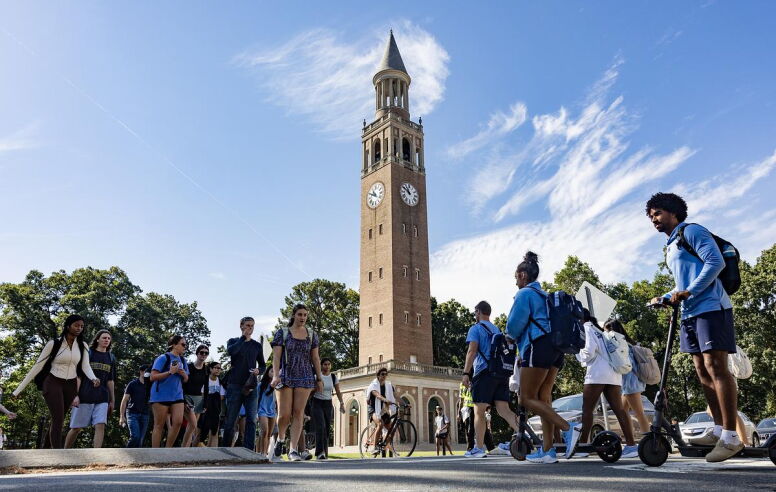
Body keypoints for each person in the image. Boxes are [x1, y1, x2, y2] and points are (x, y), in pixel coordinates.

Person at [647, 192, 742, 462]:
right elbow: (682, 283)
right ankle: (717, 428)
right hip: (690, 313)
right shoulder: (672, 246)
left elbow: (715, 262)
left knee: (716, 368)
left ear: (673, 212)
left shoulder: (692, 231)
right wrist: (666, 297)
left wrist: (688, 292)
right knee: (701, 371)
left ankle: (731, 436)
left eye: (658, 213)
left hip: (712, 307)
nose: (653, 219)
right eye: (651, 216)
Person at [505, 252, 581, 463]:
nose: (515, 280)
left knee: (525, 398)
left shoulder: (524, 295)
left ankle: (568, 429)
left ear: (522, 275)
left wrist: (509, 337)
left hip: (536, 346)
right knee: (544, 399)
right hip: (556, 348)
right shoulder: (545, 295)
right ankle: (548, 451)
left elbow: (514, 325)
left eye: (516, 276)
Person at [12, 315, 100, 449]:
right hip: (53, 382)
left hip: (70, 385)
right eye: (76, 325)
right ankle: (58, 454)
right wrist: (18, 390)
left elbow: (85, 366)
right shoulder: (53, 344)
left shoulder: (83, 346)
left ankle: (46, 452)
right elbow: (37, 366)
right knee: (58, 418)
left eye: (82, 326)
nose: (79, 328)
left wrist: (93, 378)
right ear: (68, 326)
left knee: (58, 420)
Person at [462, 300, 520, 459]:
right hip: (501, 374)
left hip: (483, 373)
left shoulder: (475, 329)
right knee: (504, 410)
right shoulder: (497, 330)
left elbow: (472, 351)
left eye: (475, 313)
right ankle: (523, 436)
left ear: (478, 312)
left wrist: (466, 373)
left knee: (479, 411)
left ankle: (478, 448)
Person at [576, 312, 638, 458]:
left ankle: (584, 446)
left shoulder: (587, 328)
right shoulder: (600, 330)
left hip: (597, 374)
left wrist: (577, 353)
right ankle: (631, 445)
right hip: (614, 374)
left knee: (587, 410)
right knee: (620, 410)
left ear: (581, 318)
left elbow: (588, 353)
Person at [270, 304, 323, 462]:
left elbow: (315, 358)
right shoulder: (283, 333)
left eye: (305, 315)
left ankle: (293, 450)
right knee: (284, 414)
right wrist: (275, 375)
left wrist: (319, 378)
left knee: (298, 413)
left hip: (305, 375)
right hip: (286, 374)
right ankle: (280, 439)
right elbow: (277, 357)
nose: (303, 318)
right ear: (293, 315)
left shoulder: (312, 335)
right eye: (300, 314)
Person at [64, 329, 116, 449]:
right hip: (84, 396)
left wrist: (112, 400)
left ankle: (96, 455)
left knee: (100, 425)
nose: (106, 340)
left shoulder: (111, 358)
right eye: (104, 338)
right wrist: (75, 395)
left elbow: (110, 381)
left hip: (102, 397)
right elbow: (79, 377)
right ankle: (65, 452)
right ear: (97, 339)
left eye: (108, 338)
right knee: (76, 428)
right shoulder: (88, 354)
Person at [222, 316, 266, 452]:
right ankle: (225, 450)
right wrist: (243, 338)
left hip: (251, 386)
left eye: (252, 326)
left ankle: (248, 450)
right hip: (234, 385)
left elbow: (263, 365)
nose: (250, 328)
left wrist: (259, 370)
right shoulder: (233, 341)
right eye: (247, 325)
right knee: (231, 420)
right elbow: (231, 352)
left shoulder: (257, 346)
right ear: (241, 326)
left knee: (252, 419)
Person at [603, 320, 651, 434]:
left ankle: (649, 442)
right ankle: (631, 440)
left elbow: (626, 366)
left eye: (606, 331)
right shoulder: (628, 343)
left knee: (639, 413)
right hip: (628, 383)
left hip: (630, 382)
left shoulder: (621, 345)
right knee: (623, 412)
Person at [149, 335, 190, 448]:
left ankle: (168, 450)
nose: (185, 347)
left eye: (186, 345)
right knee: (159, 425)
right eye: (183, 344)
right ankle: (155, 454)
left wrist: (183, 374)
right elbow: (152, 377)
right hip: (160, 396)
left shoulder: (183, 360)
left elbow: (186, 379)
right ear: (174, 345)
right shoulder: (163, 358)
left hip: (177, 395)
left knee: (177, 422)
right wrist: (170, 372)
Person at [311, 357, 345, 460]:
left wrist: (342, 403)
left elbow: (338, 391)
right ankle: (319, 452)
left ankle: (324, 452)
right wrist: (316, 388)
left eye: (328, 364)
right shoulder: (317, 376)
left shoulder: (333, 377)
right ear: (321, 365)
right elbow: (310, 390)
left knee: (326, 428)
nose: (327, 366)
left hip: (328, 404)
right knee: (320, 426)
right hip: (317, 402)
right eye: (325, 364)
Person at [181, 344, 210, 447]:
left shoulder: (206, 370)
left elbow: (206, 388)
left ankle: (187, 451)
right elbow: (182, 384)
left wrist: (205, 403)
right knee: (193, 424)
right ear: (197, 353)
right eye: (202, 352)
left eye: (206, 353)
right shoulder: (188, 367)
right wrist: (183, 401)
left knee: (192, 427)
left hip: (199, 399)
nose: (204, 355)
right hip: (187, 397)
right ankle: (183, 449)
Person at [120, 364, 152, 448]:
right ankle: (127, 455)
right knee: (135, 436)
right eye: (146, 371)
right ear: (141, 372)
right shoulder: (132, 384)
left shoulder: (151, 385)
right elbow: (124, 400)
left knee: (140, 441)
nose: (148, 374)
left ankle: (137, 460)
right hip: (132, 413)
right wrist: (121, 416)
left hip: (145, 414)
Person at [199, 361, 226, 447]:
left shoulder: (220, 382)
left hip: (215, 409)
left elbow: (222, 396)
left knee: (214, 431)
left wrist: (213, 396)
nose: (218, 370)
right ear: (210, 369)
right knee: (200, 431)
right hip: (204, 409)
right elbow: (202, 394)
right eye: (216, 368)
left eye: (220, 368)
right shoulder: (205, 380)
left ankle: (213, 452)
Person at [257, 366, 277, 459]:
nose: (274, 373)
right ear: (267, 372)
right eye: (272, 371)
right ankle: (261, 452)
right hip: (262, 410)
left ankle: (265, 453)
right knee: (264, 431)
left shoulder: (278, 385)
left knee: (269, 434)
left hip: (272, 411)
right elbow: (256, 399)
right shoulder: (261, 385)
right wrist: (256, 413)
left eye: (275, 371)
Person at [456, 382, 475, 451]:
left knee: (470, 428)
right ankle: (470, 447)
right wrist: (459, 413)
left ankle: (471, 447)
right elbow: (461, 399)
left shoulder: (474, 381)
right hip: (467, 408)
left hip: (473, 407)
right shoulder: (462, 384)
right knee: (468, 428)